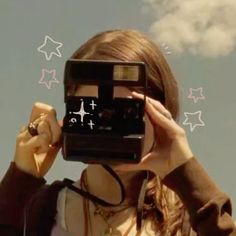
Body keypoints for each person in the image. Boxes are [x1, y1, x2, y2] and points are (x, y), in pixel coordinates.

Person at [0, 29, 235, 236]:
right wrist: (20, 180)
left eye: (124, 112)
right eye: (94, 109)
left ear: (163, 114)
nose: (107, 123)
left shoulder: (190, 218)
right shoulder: (43, 208)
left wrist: (186, 173)